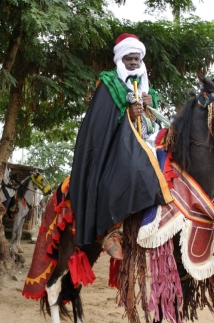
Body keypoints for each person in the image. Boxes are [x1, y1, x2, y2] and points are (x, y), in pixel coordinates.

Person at [70, 33, 171, 258]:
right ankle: (112, 230)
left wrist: (148, 108)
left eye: (136, 59)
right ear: (120, 60)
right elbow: (101, 122)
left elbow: (152, 123)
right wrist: (127, 113)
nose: (133, 62)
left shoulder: (147, 89)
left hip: (146, 141)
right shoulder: (108, 83)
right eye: (129, 59)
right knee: (133, 167)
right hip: (115, 145)